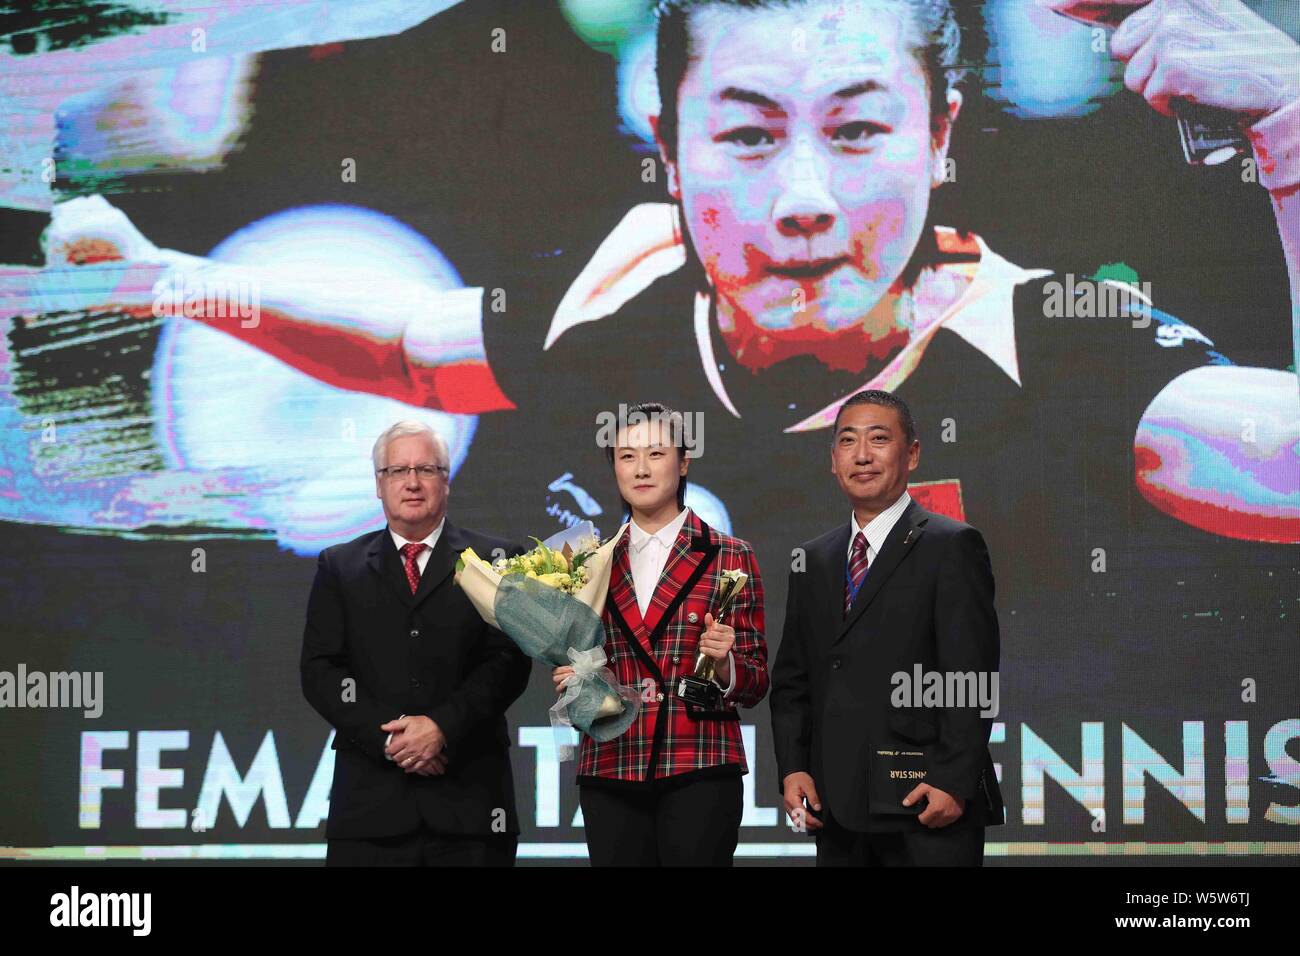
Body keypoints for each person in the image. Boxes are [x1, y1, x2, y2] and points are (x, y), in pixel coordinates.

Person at [771, 389, 1003, 866]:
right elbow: (793, 681)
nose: (862, 455)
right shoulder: (813, 559)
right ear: (833, 460)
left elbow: (970, 677)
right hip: (836, 810)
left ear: (912, 453)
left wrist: (953, 781)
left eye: (879, 439)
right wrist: (794, 768)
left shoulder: (951, 545)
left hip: (926, 805)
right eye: (847, 441)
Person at [299, 419, 530, 865]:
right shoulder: (339, 567)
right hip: (369, 812)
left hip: (471, 809)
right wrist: (394, 740)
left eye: (425, 469)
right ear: (378, 486)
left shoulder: (498, 561)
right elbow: (321, 670)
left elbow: (508, 663)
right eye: (397, 471)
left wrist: (440, 728)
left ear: (446, 480)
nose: (411, 482)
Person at [551, 402, 769, 866]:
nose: (642, 468)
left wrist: (728, 664)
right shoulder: (587, 562)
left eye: (656, 453)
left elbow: (757, 681)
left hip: (700, 763)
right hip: (613, 763)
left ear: (684, 461)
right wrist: (575, 680)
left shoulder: (729, 554)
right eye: (627, 457)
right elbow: (576, 654)